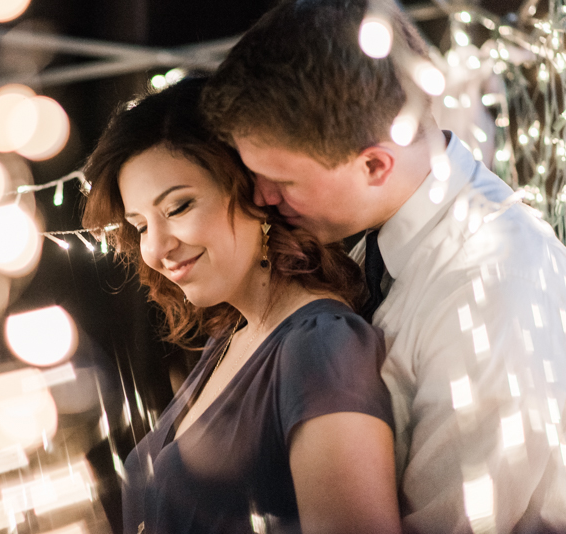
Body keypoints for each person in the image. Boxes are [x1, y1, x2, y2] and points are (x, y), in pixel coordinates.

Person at [202, 0, 566, 532]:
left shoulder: (491, 284)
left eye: (282, 181)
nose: (260, 196)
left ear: (375, 164)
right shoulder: (367, 243)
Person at [82, 77, 401, 533]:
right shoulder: (234, 335)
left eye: (177, 208)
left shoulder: (321, 346)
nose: (157, 248)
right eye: (139, 226)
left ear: (255, 189)